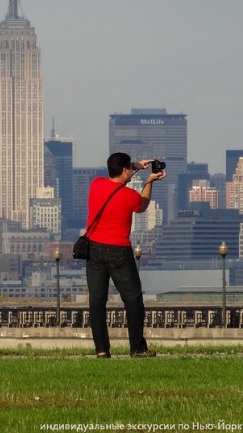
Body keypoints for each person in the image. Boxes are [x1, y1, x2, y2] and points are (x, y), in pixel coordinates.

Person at [85, 152, 166, 358]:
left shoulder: (96, 184)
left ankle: (102, 350)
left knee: (97, 302)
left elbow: (117, 177)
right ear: (125, 171)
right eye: (129, 168)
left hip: (93, 249)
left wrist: (135, 165)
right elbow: (143, 203)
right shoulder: (129, 196)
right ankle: (137, 348)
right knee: (133, 300)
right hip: (119, 251)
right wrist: (149, 181)